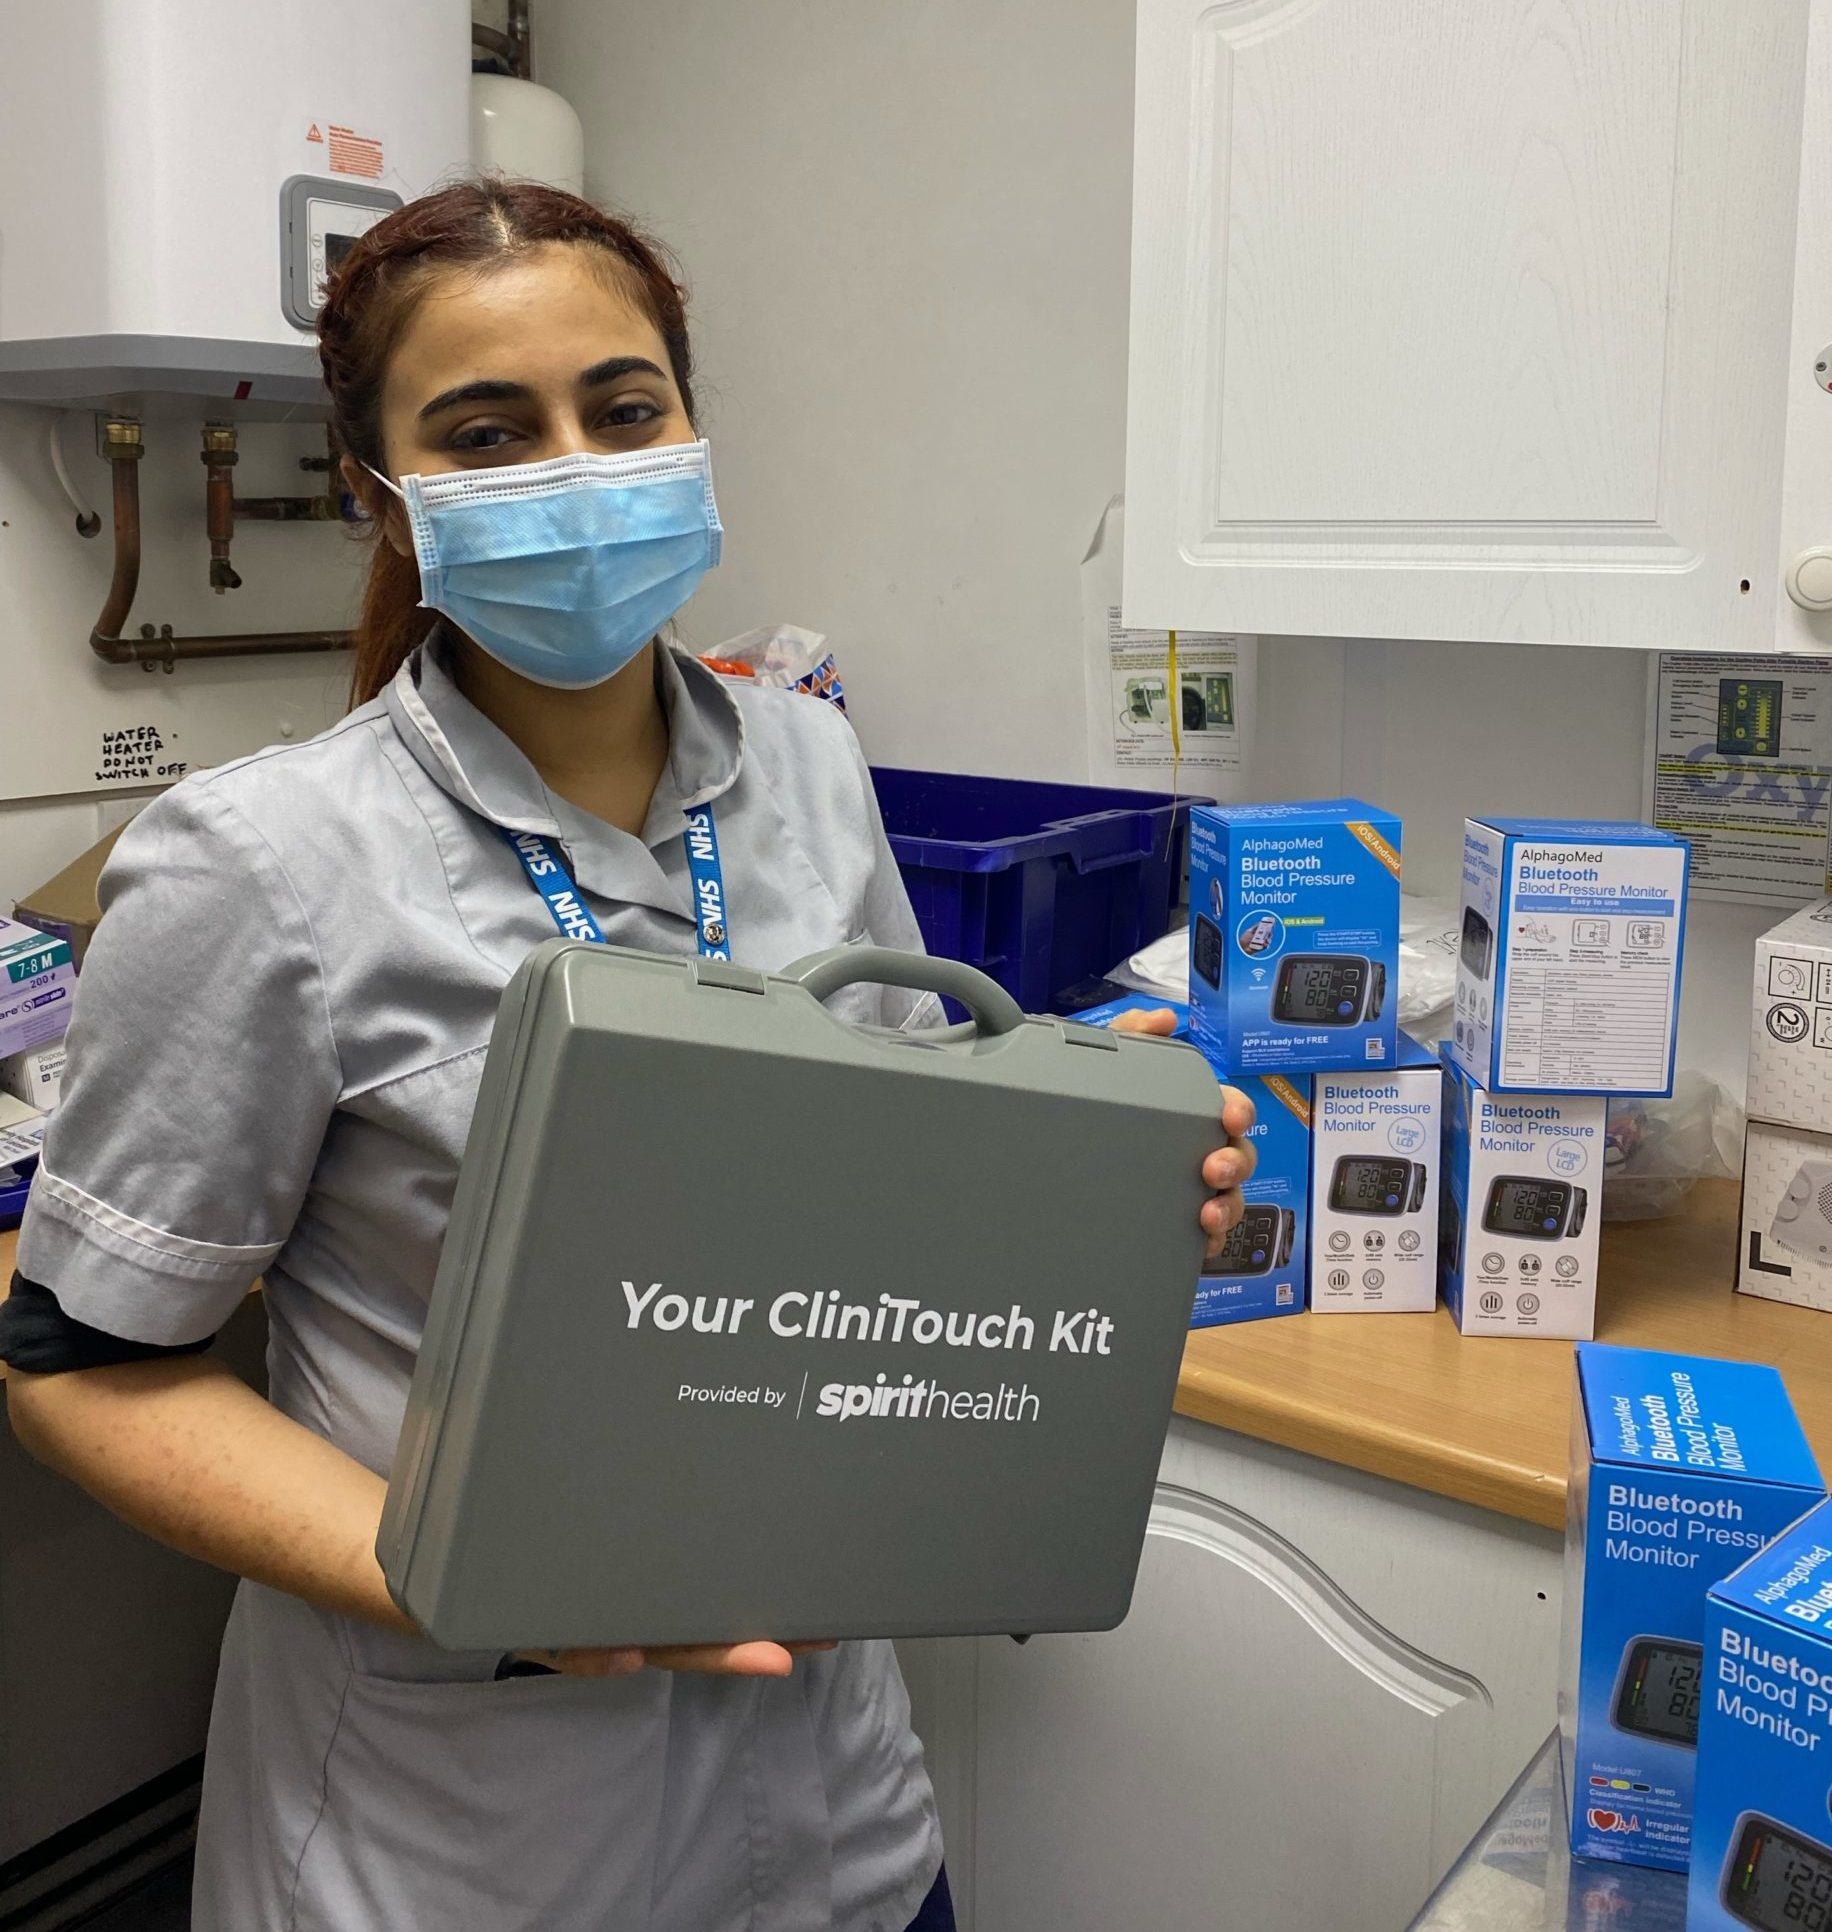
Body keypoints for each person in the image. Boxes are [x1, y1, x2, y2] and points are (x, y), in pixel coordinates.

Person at [0, 181, 1254, 1930]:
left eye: (625, 407)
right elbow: (81, 1374)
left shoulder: (813, 765)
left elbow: (884, 1202)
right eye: (489, 431)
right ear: (383, 494)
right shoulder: (261, 861)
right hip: (481, 1839)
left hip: (841, 1820)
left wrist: (1094, 1187)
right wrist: (477, 1579)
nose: (578, 466)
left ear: (690, 426)